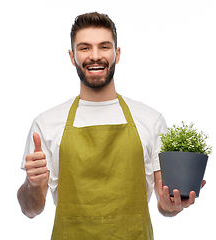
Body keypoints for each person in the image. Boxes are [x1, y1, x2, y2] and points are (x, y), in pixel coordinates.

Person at [17, 12, 205, 239]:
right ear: (72, 56)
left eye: (104, 47)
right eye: (84, 48)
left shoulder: (150, 120)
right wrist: (32, 184)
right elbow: (31, 209)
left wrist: (172, 205)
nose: (95, 56)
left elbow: (163, 203)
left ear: (116, 54)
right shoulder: (46, 123)